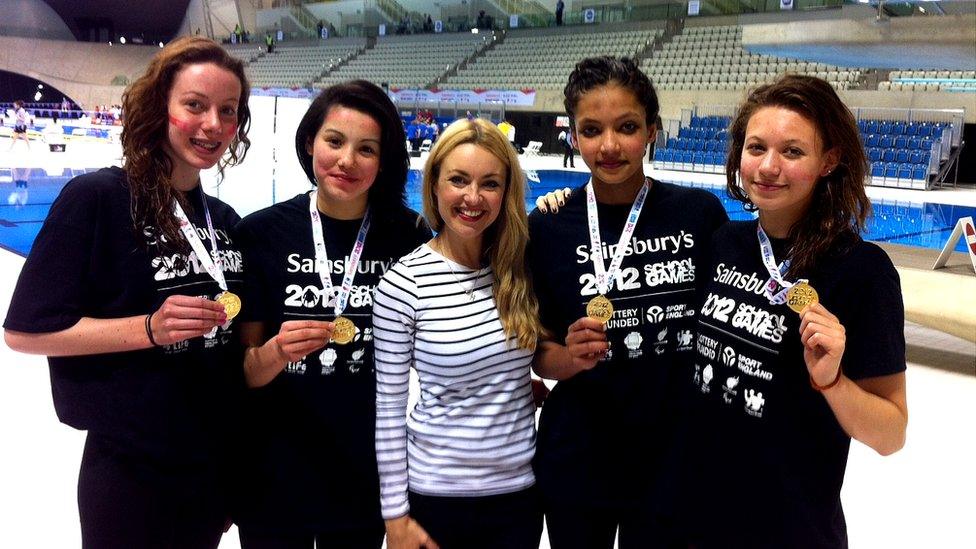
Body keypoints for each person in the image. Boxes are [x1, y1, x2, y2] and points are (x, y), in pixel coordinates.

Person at [3, 36, 251, 548]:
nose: (213, 124)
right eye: (195, 105)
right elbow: (26, 332)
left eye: (228, 111)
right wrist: (147, 328)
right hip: (130, 469)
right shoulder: (100, 198)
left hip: (208, 466)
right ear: (159, 107)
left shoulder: (224, 223)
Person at [675, 74, 908, 548]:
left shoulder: (861, 271)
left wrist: (831, 381)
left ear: (830, 161)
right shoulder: (724, 243)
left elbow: (891, 434)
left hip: (790, 527)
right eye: (756, 147)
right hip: (694, 514)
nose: (767, 167)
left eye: (793, 152)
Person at [527, 56, 727, 548]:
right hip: (578, 458)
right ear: (572, 136)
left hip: (671, 457)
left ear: (653, 131)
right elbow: (535, 350)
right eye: (591, 129)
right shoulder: (549, 226)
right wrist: (569, 359)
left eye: (628, 127)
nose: (610, 146)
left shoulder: (698, 214)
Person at [231, 80, 431, 549]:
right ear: (309, 143)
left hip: (362, 470)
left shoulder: (408, 237)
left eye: (367, 149)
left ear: (383, 162)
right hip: (274, 470)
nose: (347, 161)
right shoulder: (261, 233)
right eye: (335, 141)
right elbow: (243, 372)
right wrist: (277, 351)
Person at [374, 118, 545, 549]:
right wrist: (395, 517)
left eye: (490, 183)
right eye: (458, 180)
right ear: (433, 185)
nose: (472, 197)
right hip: (437, 497)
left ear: (506, 192)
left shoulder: (517, 267)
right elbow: (389, 413)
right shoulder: (403, 284)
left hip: (519, 496)